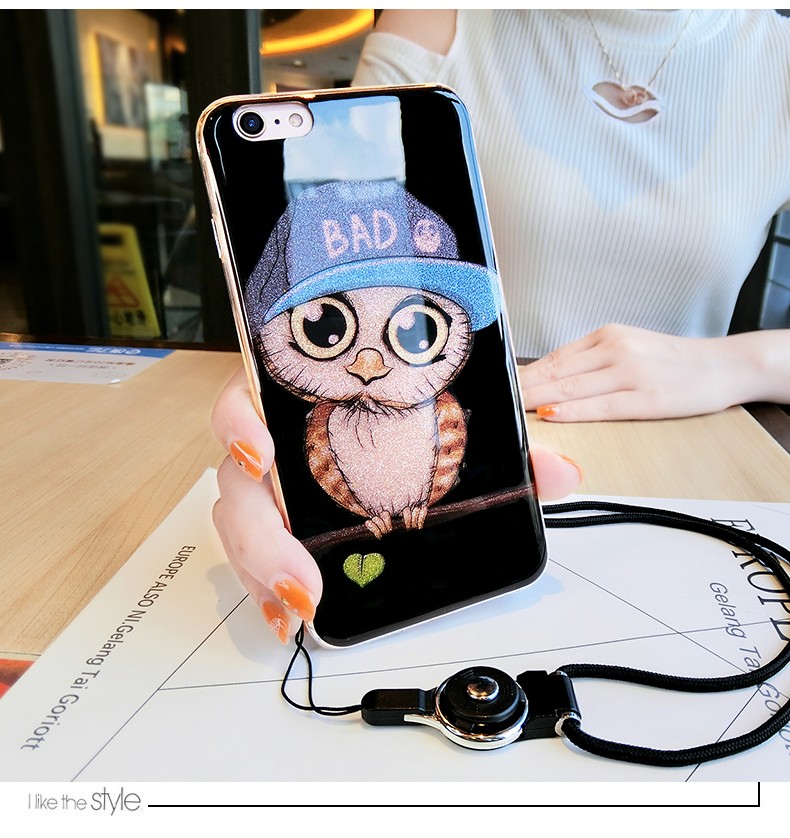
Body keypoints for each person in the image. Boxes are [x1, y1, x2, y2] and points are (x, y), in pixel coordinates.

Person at [211, 9, 790, 642]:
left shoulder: (778, 58)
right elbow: (344, 209)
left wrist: (741, 362)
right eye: (325, 326)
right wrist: (287, 367)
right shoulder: (439, 16)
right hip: (505, 443)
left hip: (698, 461)